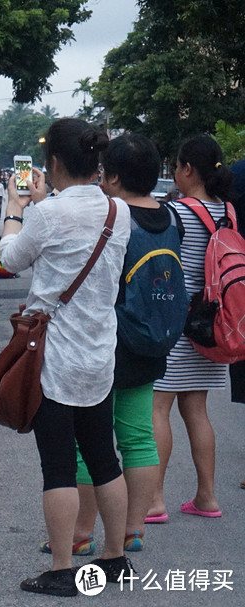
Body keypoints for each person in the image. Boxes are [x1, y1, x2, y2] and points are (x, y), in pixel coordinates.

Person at [0, 118, 132, 596]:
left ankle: (60, 569)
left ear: (52, 163)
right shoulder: (119, 212)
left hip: (53, 360)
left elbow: (8, 260)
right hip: (99, 355)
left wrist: (15, 209)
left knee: (57, 465)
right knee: (104, 460)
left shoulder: (46, 214)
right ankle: (114, 558)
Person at [41, 133, 174, 558]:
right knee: (137, 437)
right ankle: (133, 529)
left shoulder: (114, 216)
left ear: (111, 175)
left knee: (88, 444)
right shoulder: (172, 219)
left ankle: (81, 532)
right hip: (152, 341)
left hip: (106, 342)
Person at [150, 135, 236, 522]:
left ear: (186, 170)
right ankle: (207, 497)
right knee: (197, 410)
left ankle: (153, 501)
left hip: (177, 323)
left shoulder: (177, 212)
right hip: (211, 323)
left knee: (157, 407)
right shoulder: (227, 211)